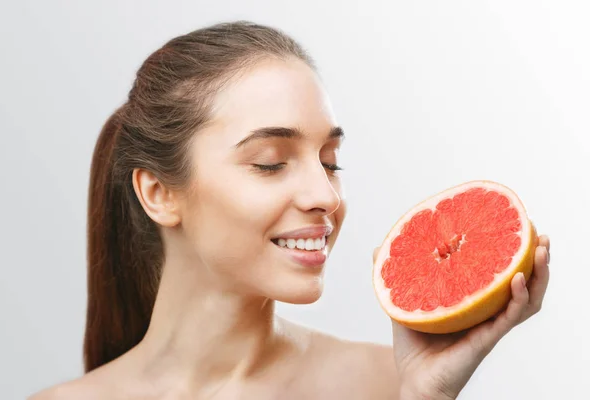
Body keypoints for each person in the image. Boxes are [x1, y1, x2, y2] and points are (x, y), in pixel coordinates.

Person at [30, 20, 551, 399]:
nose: (325, 195)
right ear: (159, 193)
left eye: (329, 161)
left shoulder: (389, 385)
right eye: (271, 163)